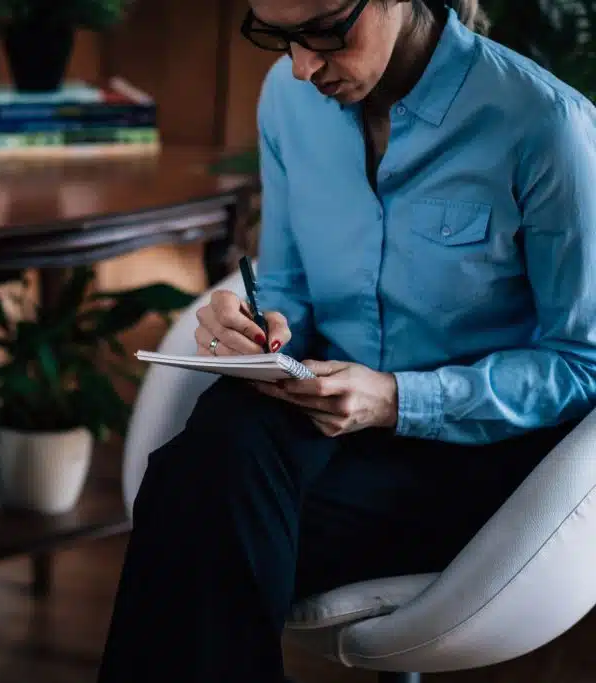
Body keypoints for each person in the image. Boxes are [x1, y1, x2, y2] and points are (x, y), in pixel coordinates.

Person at [98, 0, 596, 681]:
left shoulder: (546, 126)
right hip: (326, 428)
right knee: (218, 456)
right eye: (276, 36)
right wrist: (253, 326)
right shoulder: (287, 101)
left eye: (327, 33)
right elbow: (286, 284)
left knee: (197, 504)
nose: (302, 66)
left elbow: (582, 362)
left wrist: (397, 399)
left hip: (481, 456)